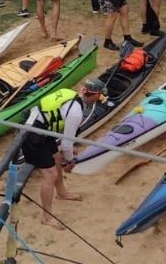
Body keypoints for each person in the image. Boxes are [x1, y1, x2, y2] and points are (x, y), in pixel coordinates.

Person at [22, 79, 105, 228]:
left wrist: (67, 152)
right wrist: (70, 161)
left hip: (43, 128)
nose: (99, 100)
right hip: (33, 133)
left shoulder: (70, 93)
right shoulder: (76, 113)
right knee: (50, 175)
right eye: (99, 97)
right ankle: (46, 217)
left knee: (57, 157)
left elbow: (59, 128)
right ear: (93, 95)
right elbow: (66, 143)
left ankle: (62, 193)